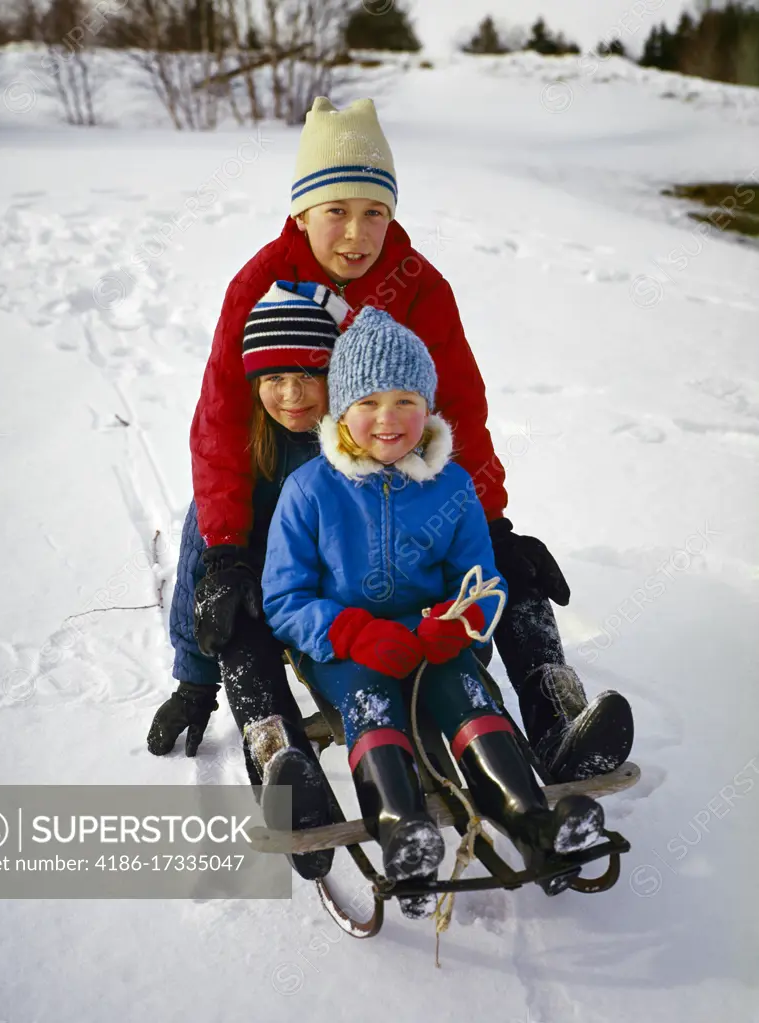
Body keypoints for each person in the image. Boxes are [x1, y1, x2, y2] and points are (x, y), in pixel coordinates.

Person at [149, 94, 632, 791]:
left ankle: (555, 711)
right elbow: (220, 423)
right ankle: (230, 706)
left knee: (499, 566)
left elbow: (460, 408)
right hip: (288, 476)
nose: (355, 233)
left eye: (373, 211)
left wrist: (492, 521)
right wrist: (224, 555)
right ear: (300, 213)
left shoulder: (420, 287)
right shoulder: (258, 285)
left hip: (394, 480)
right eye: (335, 211)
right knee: (217, 545)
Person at [262, 307, 608, 917]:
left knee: (468, 694)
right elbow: (284, 602)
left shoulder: (450, 487)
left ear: (428, 409)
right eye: (369, 402)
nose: (388, 419)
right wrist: (348, 630)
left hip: (434, 640)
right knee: (371, 699)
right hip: (347, 649)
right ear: (342, 412)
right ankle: (402, 830)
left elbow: (485, 579)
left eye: (405, 400)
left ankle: (533, 823)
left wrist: (461, 621)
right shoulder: (310, 491)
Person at [148, 280, 352, 880]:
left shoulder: (356, 444)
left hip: (334, 605)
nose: (290, 395)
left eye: (308, 376)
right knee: (242, 646)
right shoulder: (240, 461)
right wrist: (193, 681)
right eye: (272, 379)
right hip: (256, 597)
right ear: (252, 383)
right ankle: (281, 763)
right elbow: (200, 576)